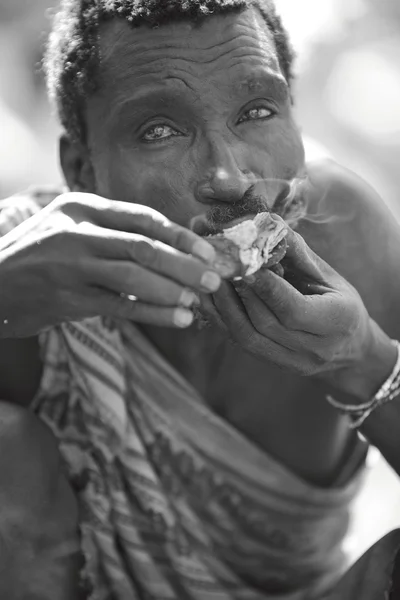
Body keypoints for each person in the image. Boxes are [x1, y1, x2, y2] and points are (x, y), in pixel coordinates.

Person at [0, 0, 400, 598]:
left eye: (258, 111)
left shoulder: (343, 234)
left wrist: (365, 357)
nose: (228, 176)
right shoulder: (32, 270)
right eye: (160, 130)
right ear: (81, 170)